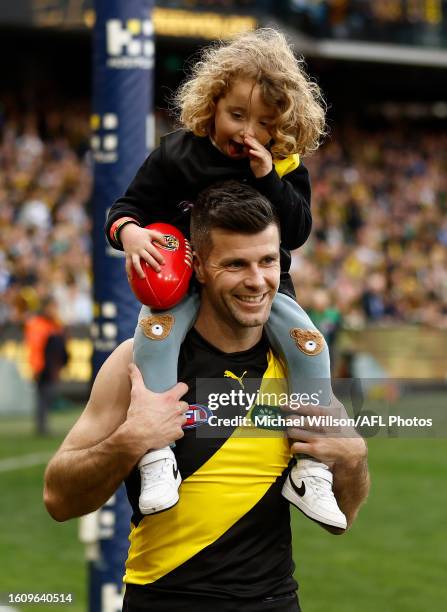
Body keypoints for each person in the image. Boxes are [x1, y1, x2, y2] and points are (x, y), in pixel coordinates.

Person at [44, 182, 369, 611]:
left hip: (272, 602)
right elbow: (59, 499)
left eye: (268, 261)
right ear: (198, 266)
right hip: (162, 601)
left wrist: (353, 459)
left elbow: (342, 520)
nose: (257, 281)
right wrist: (130, 439)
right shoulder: (136, 365)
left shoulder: (298, 368)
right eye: (236, 264)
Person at [105, 28, 346, 529]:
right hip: (187, 281)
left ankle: (311, 470)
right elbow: (127, 205)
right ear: (212, 102)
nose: (247, 132)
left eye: (264, 124)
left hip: (256, 286)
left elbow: (296, 231)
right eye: (237, 115)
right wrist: (128, 233)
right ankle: (156, 459)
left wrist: (269, 179)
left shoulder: (282, 165)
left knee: (311, 349)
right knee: (152, 339)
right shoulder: (177, 154)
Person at [24, 296, 68, 435]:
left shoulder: (54, 324)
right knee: (43, 396)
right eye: (52, 307)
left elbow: (61, 343)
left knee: (48, 395)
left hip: (52, 367)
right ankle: (41, 426)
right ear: (45, 307)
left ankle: (42, 425)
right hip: (43, 367)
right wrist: (37, 367)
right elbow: (36, 347)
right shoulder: (38, 324)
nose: (55, 310)